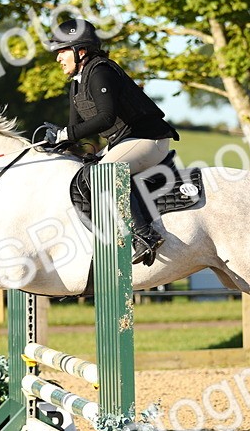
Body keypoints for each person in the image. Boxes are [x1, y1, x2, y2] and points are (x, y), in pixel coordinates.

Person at [42, 19, 179, 265]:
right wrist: (54, 145)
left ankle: (145, 236)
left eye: (62, 51)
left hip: (148, 139)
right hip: (124, 142)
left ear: (80, 50)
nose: (57, 58)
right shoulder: (76, 84)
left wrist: (66, 134)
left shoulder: (100, 71)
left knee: (102, 175)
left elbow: (105, 118)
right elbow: (76, 130)